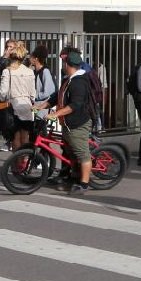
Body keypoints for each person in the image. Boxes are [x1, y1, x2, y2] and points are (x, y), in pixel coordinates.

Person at [46, 51, 95, 194]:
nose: (63, 65)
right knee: (70, 153)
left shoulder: (79, 82)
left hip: (77, 124)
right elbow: (57, 96)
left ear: (68, 64)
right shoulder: (69, 79)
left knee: (82, 154)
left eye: (64, 63)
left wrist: (56, 113)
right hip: (67, 124)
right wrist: (41, 105)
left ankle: (84, 184)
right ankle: (73, 177)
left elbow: (75, 105)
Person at [0, 46, 36, 151]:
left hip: (13, 105)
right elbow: (33, 93)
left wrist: (4, 98)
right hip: (26, 106)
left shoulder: (7, 71)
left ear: (11, 57)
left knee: (15, 136)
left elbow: (3, 93)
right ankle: (24, 161)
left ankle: (17, 163)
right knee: (25, 136)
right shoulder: (30, 72)